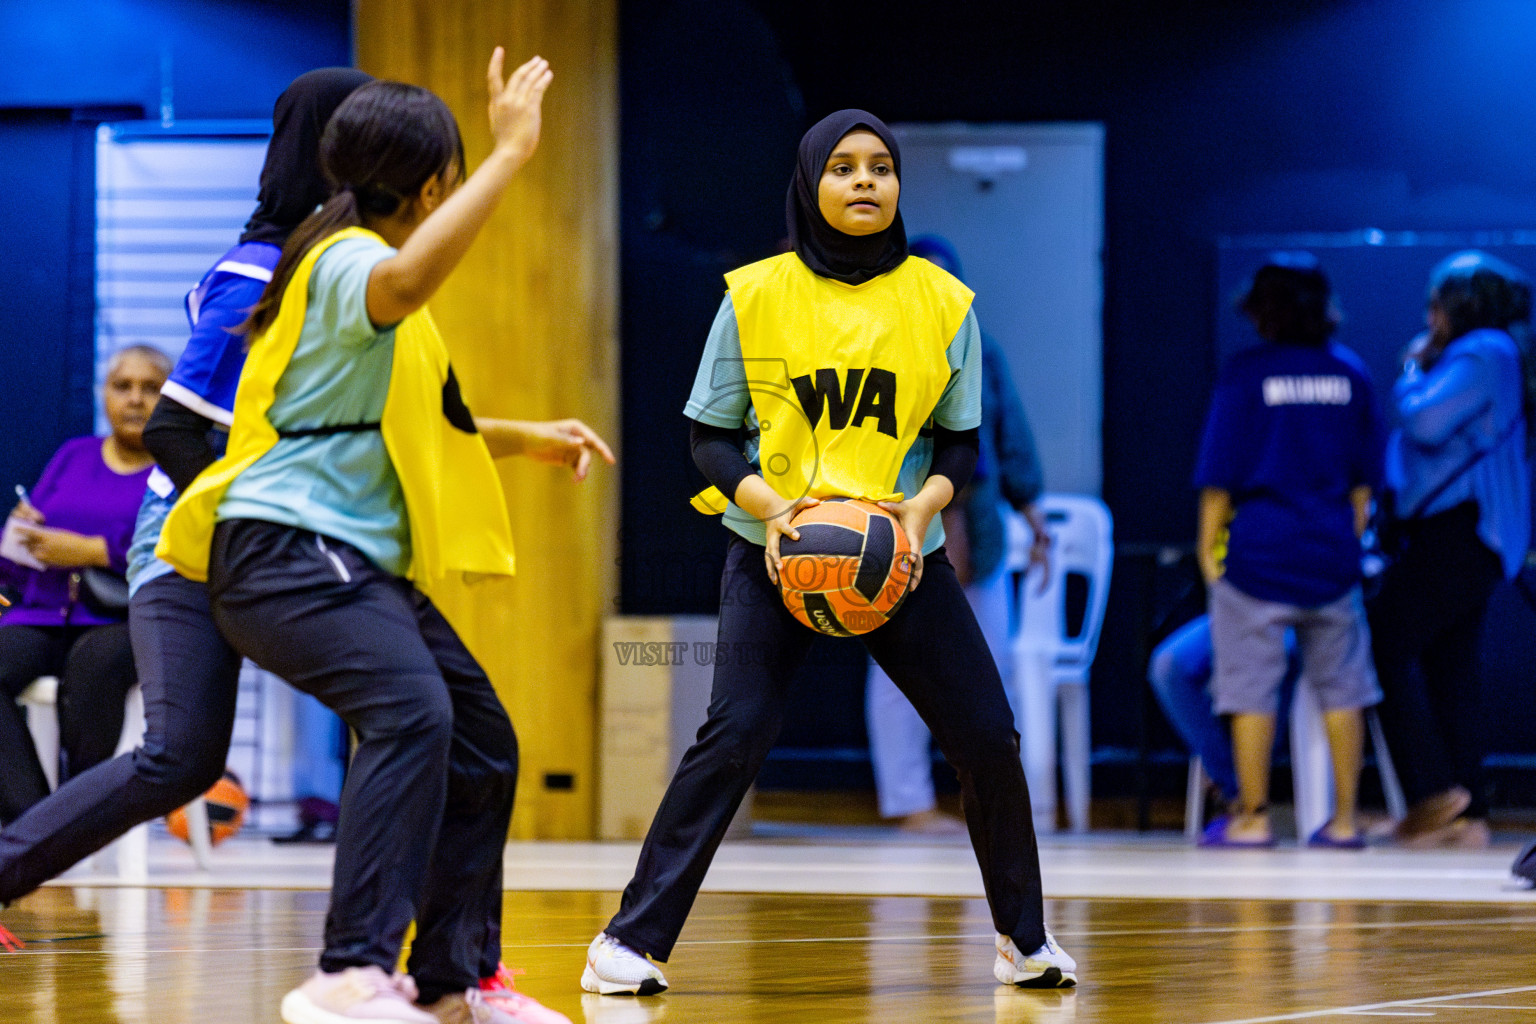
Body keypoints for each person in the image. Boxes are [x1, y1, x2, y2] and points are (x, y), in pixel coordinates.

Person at [581, 109, 1076, 996]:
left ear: (896, 187)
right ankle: (628, 940)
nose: (863, 181)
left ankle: (1023, 939)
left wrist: (924, 504)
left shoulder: (941, 301)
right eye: (842, 167)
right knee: (735, 730)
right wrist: (772, 510)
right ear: (810, 182)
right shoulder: (756, 293)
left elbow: (960, 444)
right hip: (774, 548)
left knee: (986, 737)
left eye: (880, 167)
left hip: (896, 553)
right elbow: (707, 435)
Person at [1194, 253, 1386, 849]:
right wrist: (1344, 545)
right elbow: (1365, 487)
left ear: (1262, 310)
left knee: (1250, 688)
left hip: (1258, 557)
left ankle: (1253, 818)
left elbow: (1220, 477)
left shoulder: (1246, 374)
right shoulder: (1351, 374)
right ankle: (1348, 820)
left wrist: (1208, 550)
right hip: (1330, 556)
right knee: (1343, 688)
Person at [864, 234, 1050, 834]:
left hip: (982, 529)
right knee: (897, 670)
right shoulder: (876, 351)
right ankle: (908, 800)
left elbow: (1005, 433)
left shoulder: (981, 349)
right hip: (895, 526)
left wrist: (1031, 509)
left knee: (991, 666)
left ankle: (995, 802)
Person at [1369, 251, 1532, 850]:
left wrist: (1411, 370)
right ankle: (1467, 811)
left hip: (1459, 531)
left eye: (1437, 301)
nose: (1428, 313)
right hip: (1470, 535)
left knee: (1382, 643)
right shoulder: (1496, 352)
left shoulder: (1483, 350)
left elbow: (1425, 422)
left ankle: (1434, 792)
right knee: (1450, 669)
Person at [0, 344, 169, 823]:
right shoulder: (75, 455)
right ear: (104, 396)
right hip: (44, 611)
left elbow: (179, 546)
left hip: (124, 619)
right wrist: (19, 535)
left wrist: (94, 550)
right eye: (123, 386)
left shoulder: (176, 469)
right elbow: (28, 545)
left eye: (150, 388)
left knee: (93, 669)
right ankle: (35, 823)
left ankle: (79, 814)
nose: (135, 399)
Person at [1147, 613, 1300, 825]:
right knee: (1168, 666)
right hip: (1239, 608)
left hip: (1297, 610)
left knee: (1267, 654)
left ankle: (1249, 805)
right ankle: (1234, 789)